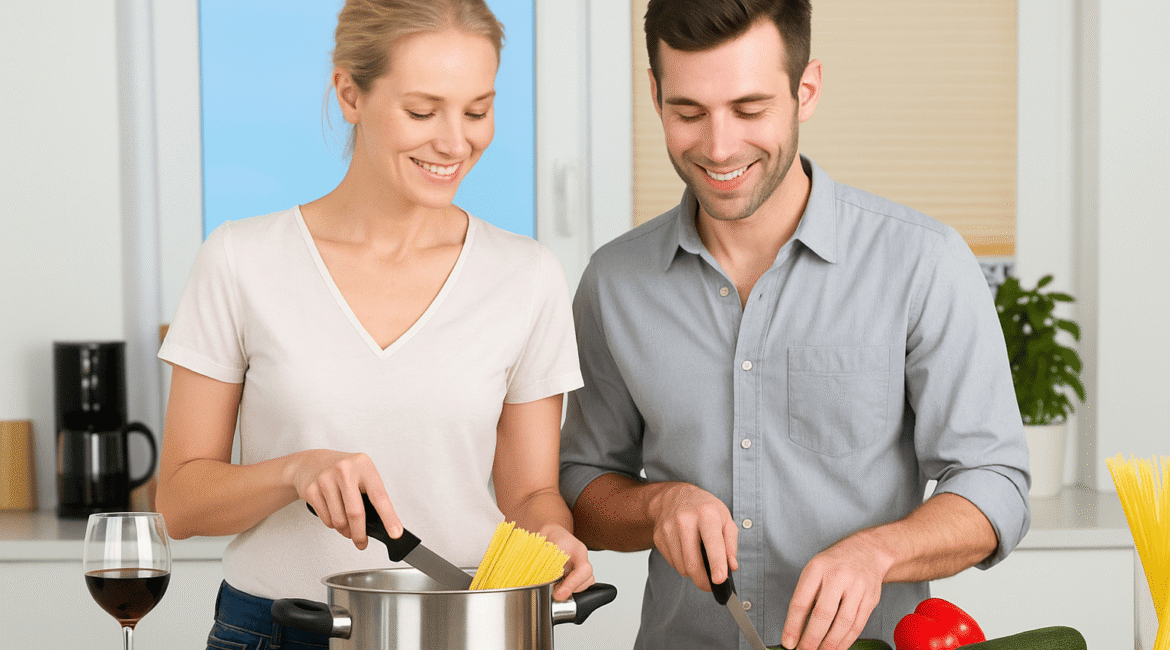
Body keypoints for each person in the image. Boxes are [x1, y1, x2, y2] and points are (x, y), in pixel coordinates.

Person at [559, 1, 1030, 649]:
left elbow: (994, 483)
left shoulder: (922, 261)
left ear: (805, 90)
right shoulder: (613, 282)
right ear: (654, 93)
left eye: (750, 110)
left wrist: (878, 553)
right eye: (688, 112)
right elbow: (583, 487)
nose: (719, 147)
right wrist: (656, 505)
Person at [156, 1, 593, 648]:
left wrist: (553, 535)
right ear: (349, 93)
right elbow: (180, 502)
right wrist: (292, 472)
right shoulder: (241, 259)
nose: (455, 141)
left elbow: (530, 493)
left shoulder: (526, 277)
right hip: (279, 630)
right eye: (422, 111)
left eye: (477, 110)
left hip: (461, 628)